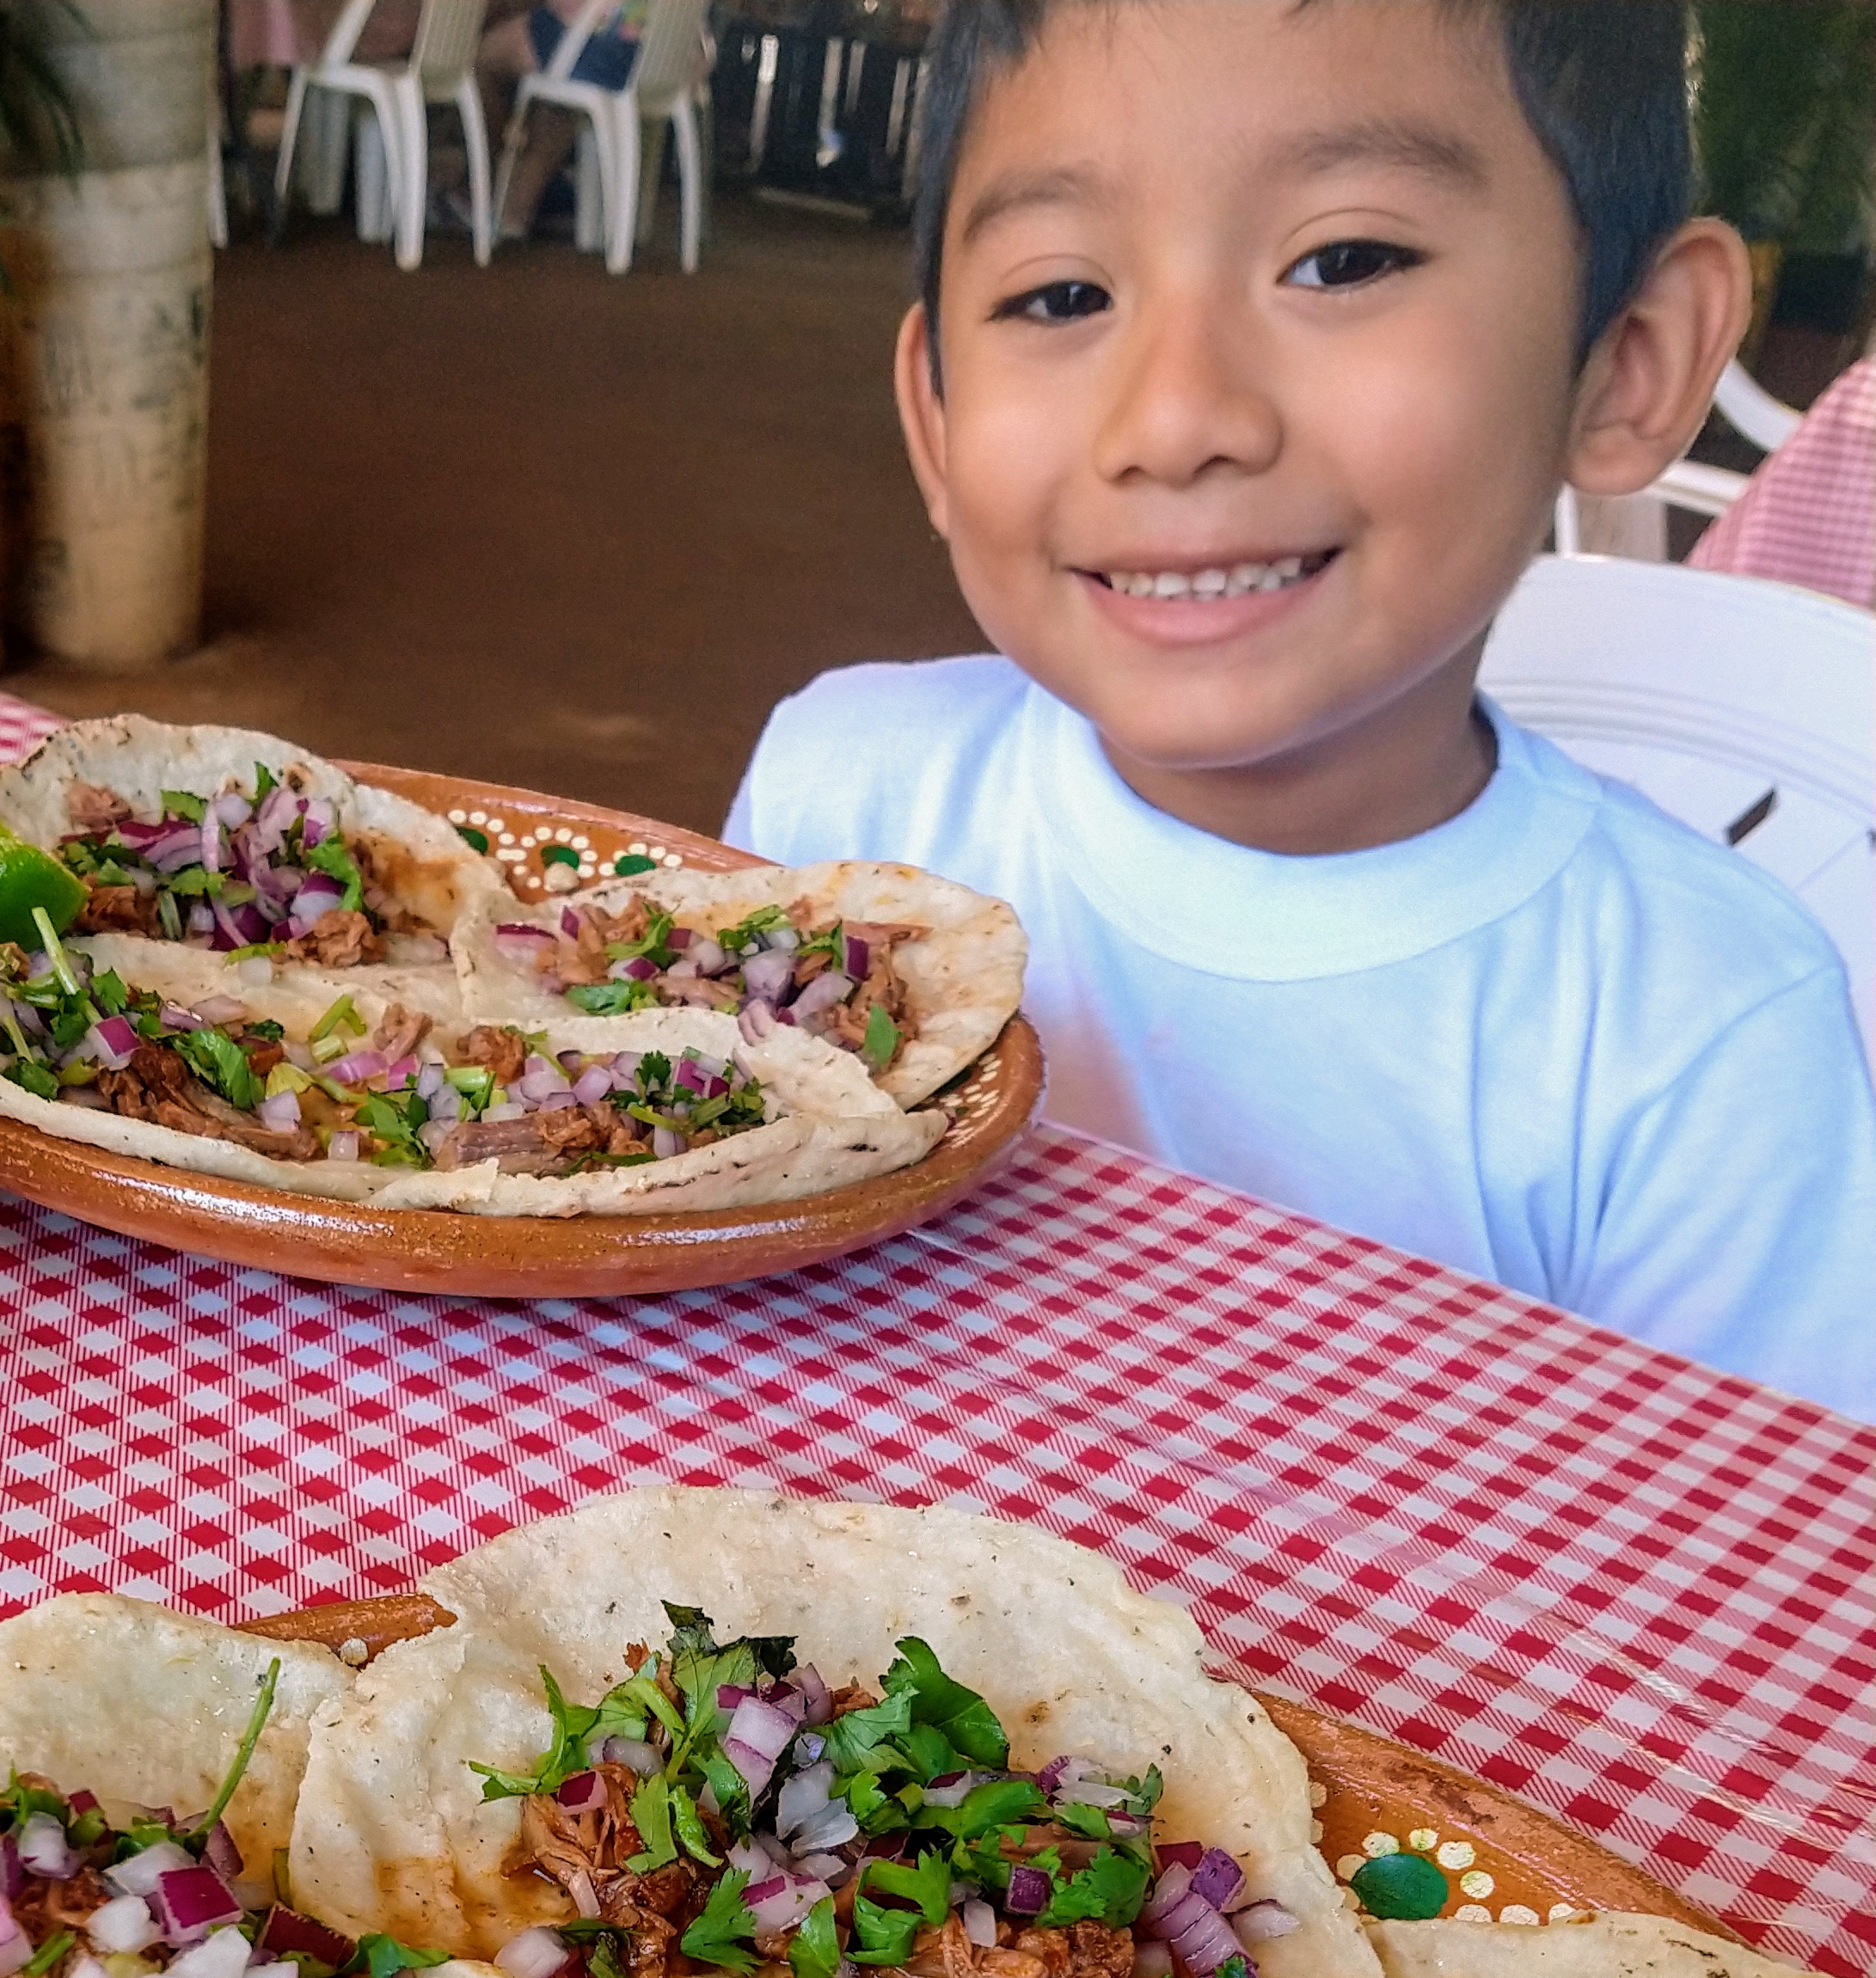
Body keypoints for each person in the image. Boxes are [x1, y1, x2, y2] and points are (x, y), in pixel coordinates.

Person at [727, 0, 1875, 1419]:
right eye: (1060, 297)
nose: (1172, 417)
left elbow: (1747, 1592)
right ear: (938, 420)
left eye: (1339, 260)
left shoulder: (1694, 1029)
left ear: (1626, 354)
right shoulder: (844, 807)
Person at [478, 0, 647, 242]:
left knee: (473, 56)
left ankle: (488, 178)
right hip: (656, 49)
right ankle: (516, 204)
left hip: (598, 39)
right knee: (557, 84)